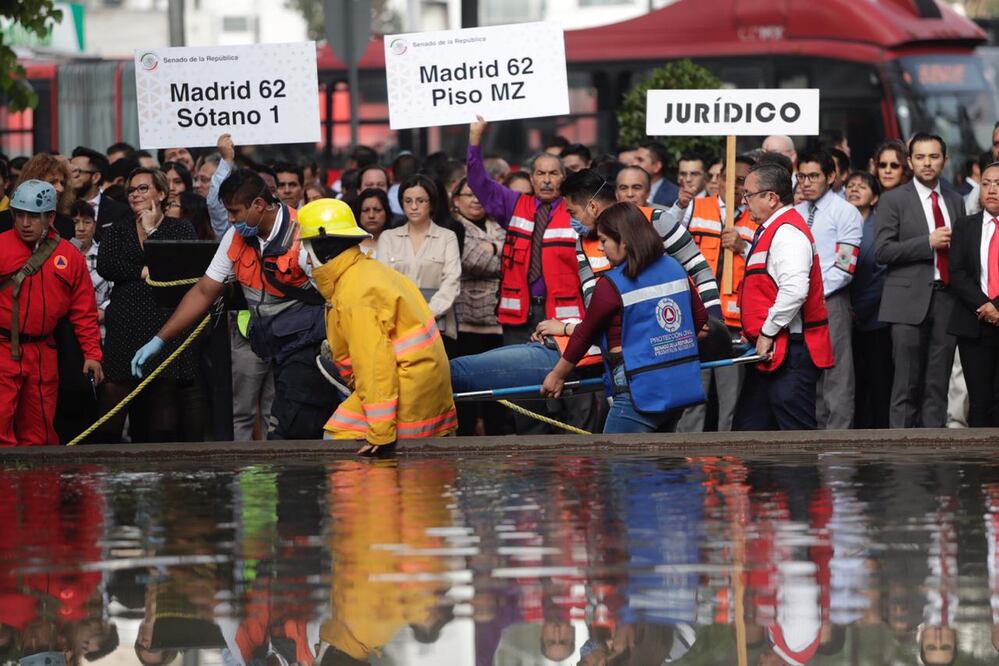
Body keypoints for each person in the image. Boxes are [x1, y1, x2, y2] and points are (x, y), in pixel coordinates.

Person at [131, 166, 337, 440]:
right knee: (290, 429)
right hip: (272, 345)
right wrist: (160, 339)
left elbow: (337, 299)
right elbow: (204, 292)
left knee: (289, 431)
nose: (229, 219)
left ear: (259, 205)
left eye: (235, 212)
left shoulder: (302, 235)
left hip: (307, 347)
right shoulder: (236, 236)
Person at [296, 198, 456, 455]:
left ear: (321, 247)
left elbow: (374, 364)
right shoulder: (365, 273)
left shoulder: (355, 292)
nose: (303, 257)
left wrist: (380, 431)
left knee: (337, 437)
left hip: (409, 392)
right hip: (423, 387)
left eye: (305, 247)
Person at [541, 202, 706, 432]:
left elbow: (585, 334)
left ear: (625, 242)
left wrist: (557, 375)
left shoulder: (611, 284)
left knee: (615, 453)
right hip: (678, 384)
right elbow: (699, 317)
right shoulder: (674, 267)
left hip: (638, 387)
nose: (601, 249)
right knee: (660, 454)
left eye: (604, 241)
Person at [96, 167, 203, 443]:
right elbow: (107, 265)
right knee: (112, 401)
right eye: (131, 190)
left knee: (162, 409)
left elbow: (176, 267)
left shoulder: (181, 228)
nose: (135, 194)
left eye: (143, 188)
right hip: (125, 325)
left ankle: (158, 467)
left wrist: (151, 231)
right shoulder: (117, 230)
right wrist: (141, 272)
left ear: (162, 193)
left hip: (164, 324)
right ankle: (104, 466)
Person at [0, 180, 103, 445]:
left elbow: (84, 312)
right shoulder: (1, 246)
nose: (25, 223)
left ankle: (39, 475)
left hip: (43, 353)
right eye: (19, 215)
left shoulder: (70, 256)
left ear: (51, 217)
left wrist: (92, 354)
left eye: (33, 216)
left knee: (40, 434)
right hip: (2, 349)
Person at [733, 162, 834, 430]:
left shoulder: (787, 233)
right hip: (773, 350)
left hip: (789, 352)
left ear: (771, 198)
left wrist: (767, 332)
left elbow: (794, 291)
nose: (744, 202)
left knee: (795, 436)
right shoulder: (774, 230)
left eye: (748, 195)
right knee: (749, 433)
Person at [875, 132, 965, 428]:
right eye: (920, 157)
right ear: (910, 162)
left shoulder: (955, 200)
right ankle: (901, 451)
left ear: (945, 161)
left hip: (947, 299)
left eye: (934, 156)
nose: (927, 163)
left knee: (938, 385)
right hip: (906, 302)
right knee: (906, 384)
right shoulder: (893, 199)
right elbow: (883, 251)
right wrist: (927, 242)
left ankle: (934, 449)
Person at [676, 154, 758, 433]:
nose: (734, 186)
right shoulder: (695, 207)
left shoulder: (756, 217)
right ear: (718, 180)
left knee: (731, 401)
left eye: (741, 181)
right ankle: (687, 454)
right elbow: (667, 243)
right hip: (696, 319)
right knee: (691, 398)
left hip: (734, 323)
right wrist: (679, 206)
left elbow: (768, 264)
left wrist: (743, 248)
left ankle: (729, 456)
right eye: (728, 178)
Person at [794, 149, 863, 429]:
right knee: (806, 372)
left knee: (836, 374)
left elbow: (845, 268)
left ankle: (838, 439)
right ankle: (814, 436)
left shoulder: (845, 212)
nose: (806, 183)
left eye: (813, 176)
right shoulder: (795, 213)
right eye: (801, 177)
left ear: (831, 176)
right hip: (796, 302)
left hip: (830, 299)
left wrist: (811, 294)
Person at [377, 174, 461, 352]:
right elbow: (383, 283)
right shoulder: (388, 238)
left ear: (431, 203)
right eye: (408, 201)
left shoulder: (447, 237)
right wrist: (406, 317)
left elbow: (452, 281)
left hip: (438, 325)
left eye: (420, 201)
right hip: (397, 325)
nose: (414, 207)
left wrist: (426, 314)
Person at [450, 176, 507, 435]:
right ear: (456, 199)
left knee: (498, 391)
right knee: (467, 392)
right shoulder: (454, 228)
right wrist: (501, 250)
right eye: (469, 194)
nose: (476, 199)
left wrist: (490, 248)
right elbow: (474, 261)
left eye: (480, 194)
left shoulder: (499, 223)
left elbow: (519, 258)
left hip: (498, 323)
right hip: (466, 322)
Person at [947, 161, 999, 426]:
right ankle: (980, 454)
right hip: (974, 321)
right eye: (986, 183)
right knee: (979, 401)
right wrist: (985, 305)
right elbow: (957, 273)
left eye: (998, 184)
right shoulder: (965, 226)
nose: (992, 190)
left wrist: (997, 306)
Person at [846, 171, 891, 428]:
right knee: (852, 382)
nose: (854, 189)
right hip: (843, 317)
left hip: (875, 318)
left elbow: (883, 275)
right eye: (851, 185)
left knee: (878, 380)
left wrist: (858, 310)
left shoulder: (880, 229)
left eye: (862, 186)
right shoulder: (840, 224)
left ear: (874, 198)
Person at [0, 154, 74, 239]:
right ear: (32, 182)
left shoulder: (67, 224)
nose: (61, 189)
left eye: (62, 183)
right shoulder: (3, 221)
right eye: (52, 182)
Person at [70, 146, 131, 238]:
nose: (71, 177)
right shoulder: (62, 209)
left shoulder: (120, 212)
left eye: (78, 172)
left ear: (95, 177)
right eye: (69, 172)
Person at [70, 200, 110, 338]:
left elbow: (117, 293)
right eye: (75, 222)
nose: (81, 228)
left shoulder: (106, 256)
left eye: (87, 222)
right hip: (65, 332)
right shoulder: (59, 257)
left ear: (94, 225)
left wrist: (103, 311)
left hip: (100, 332)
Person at [635, 140, 679, 206]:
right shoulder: (625, 188)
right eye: (634, 159)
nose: (634, 163)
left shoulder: (674, 195)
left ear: (657, 166)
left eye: (640, 160)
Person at [351, 187, 390, 257]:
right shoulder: (350, 247)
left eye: (377, 210)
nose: (371, 215)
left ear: (386, 212)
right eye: (365, 210)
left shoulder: (397, 243)